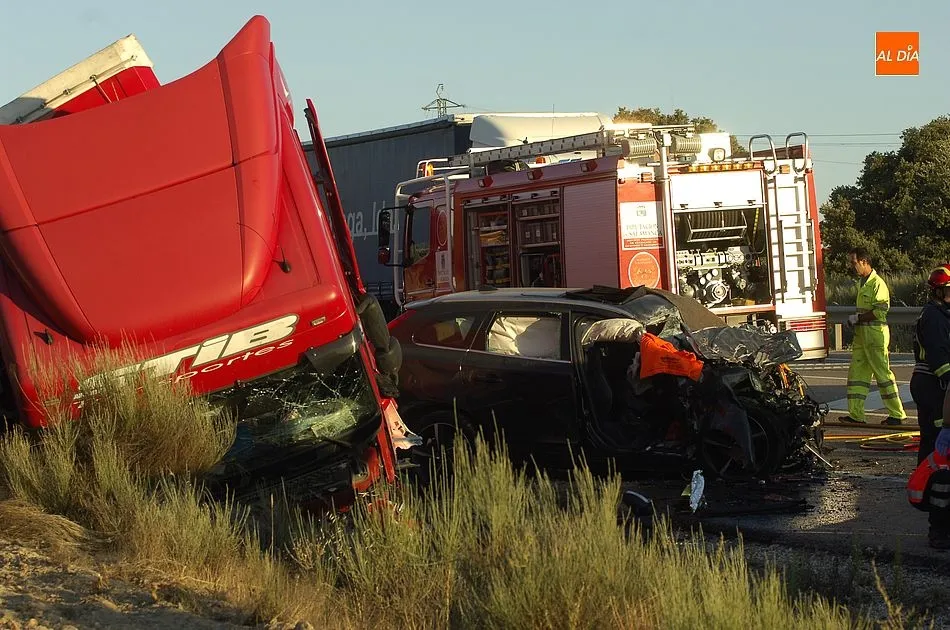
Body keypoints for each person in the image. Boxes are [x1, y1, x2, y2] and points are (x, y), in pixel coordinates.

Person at [841, 247, 907, 426]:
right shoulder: (864, 282)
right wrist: (857, 321)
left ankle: (897, 414)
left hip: (875, 335)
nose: (852, 266)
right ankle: (856, 414)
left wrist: (857, 318)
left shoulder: (877, 283)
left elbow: (879, 311)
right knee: (857, 375)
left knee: (883, 375)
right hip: (863, 335)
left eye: (854, 263)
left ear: (864, 261)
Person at [910, 265, 950, 462]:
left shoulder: (939, 313)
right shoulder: (935, 317)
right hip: (932, 384)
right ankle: (930, 481)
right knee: (935, 436)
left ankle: (926, 480)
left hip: (929, 382)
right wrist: (948, 378)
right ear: (939, 291)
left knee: (930, 439)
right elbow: (938, 354)